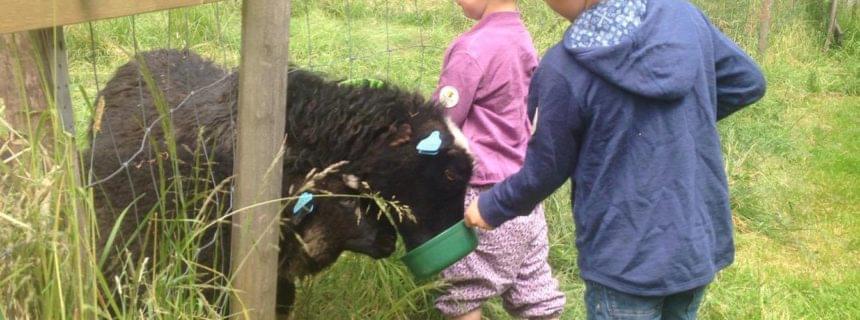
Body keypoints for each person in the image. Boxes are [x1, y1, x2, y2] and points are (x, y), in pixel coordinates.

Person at [463, 0, 767, 319]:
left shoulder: (565, 67)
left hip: (623, 258)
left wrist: (490, 207)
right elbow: (746, 82)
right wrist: (675, 124)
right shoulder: (680, 14)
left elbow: (545, 170)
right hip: (692, 245)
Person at [432, 0, 566, 319]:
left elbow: (443, 122)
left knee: (463, 294)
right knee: (535, 295)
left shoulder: (471, 49)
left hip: (481, 195)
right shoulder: (520, 38)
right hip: (524, 192)